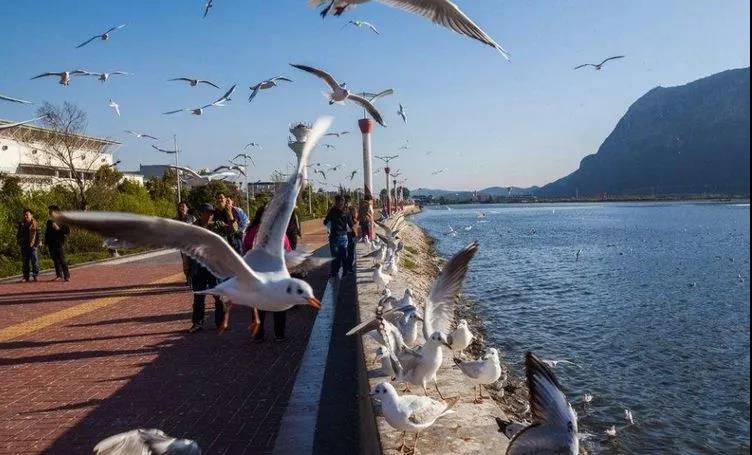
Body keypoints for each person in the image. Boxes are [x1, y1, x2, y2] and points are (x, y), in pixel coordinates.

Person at [242, 204, 293, 342]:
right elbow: (287, 249)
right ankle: (279, 334)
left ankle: (258, 334)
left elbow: (246, 248)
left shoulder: (251, 231)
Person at [188, 203, 227, 333]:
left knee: (218, 295)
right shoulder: (193, 228)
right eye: (208, 212)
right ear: (201, 213)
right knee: (199, 296)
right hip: (198, 266)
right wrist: (188, 268)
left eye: (212, 212)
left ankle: (220, 322)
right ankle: (197, 323)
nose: (211, 215)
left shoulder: (217, 226)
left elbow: (233, 230)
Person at [323, 195, 354, 279]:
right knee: (343, 254)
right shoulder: (347, 211)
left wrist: (328, 222)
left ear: (335, 202)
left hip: (334, 236)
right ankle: (345, 271)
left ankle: (334, 272)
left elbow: (325, 222)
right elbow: (351, 224)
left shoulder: (332, 210)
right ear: (344, 202)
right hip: (344, 236)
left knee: (335, 256)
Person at [44, 205, 70, 282]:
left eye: (51, 211)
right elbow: (47, 233)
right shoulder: (49, 222)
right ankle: (59, 275)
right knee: (55, 260)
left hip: (59, 243)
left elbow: (67, 232)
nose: (49, 212)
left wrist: (58, 229)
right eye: (49, 211)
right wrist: (46, 242)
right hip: (51, 243)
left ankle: (67, 275)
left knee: (62, 259)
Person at [174, 201, 196, 285]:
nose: (182, 208)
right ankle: (188, 279)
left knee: (193, 262)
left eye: (183, 206)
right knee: (185, 263)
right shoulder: (176, 219)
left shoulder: (192, 218)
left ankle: (193, 279)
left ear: (187, 208)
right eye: (180, 207)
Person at [16, 208, 40, 282]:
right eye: (24, 215)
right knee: (25, 262)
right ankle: (26, 277)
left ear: (31, 215)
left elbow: (39, 235)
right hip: (24, 246)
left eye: (27, 214)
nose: (25, 216)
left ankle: (35, 276)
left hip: (32, 246)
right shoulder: (21, 224)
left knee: (34, 261)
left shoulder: (35, 224)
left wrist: (36, 245)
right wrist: (19, 242)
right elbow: (18, 234)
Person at [345, 195, 359, 273]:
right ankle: (348, 268)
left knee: (348, 253)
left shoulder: (345, 211)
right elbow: (352, 226)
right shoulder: (348, 212)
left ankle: (347, 267)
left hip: (345, 234)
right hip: (349, 234)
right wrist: (356, 233)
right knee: (350, 253)